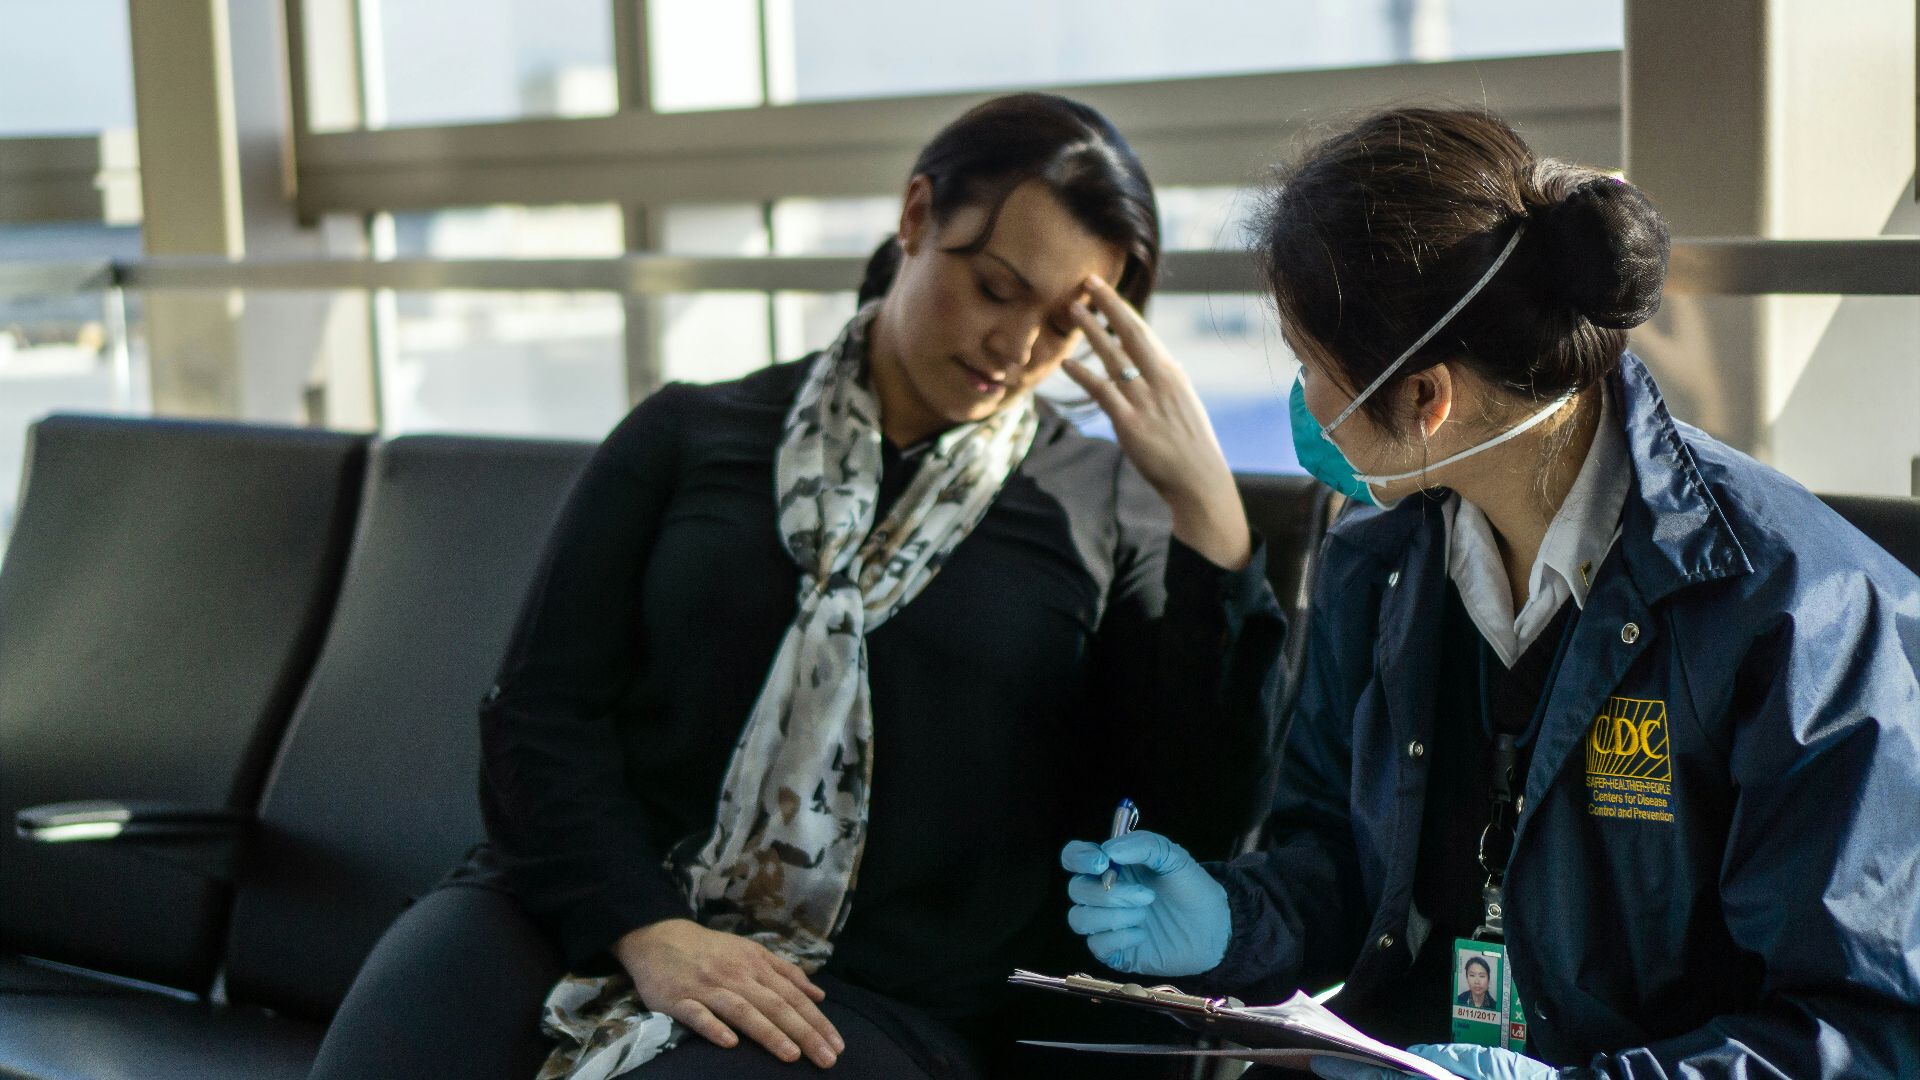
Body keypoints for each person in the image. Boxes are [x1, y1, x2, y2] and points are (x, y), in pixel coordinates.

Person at [307, 92, 1288, 1080]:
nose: (1018, 347)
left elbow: (1187, 814)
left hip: (873, 991)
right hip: (585, 903)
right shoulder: (689, 434)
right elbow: (540, 713)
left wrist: (1212, 520)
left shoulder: (1106, 510)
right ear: (915, 217)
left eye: (1063, 324)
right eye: (996, 288)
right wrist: (646, 929)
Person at [1060, 106, 1920, 1079]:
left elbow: (1863, 1032)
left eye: (1311, 368)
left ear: (1426, 398)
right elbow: (1340, 866)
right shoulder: (1375, 567)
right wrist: (1232, 919)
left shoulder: (1791, 613)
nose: (1305, 404)